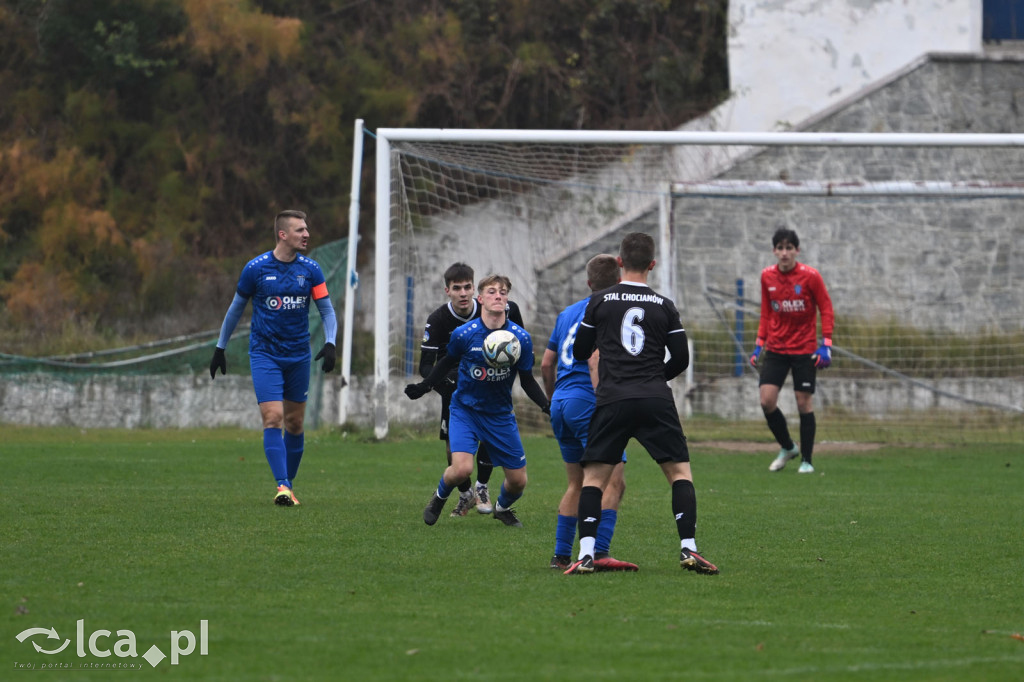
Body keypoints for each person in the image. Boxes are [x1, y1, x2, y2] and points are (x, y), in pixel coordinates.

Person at [564, 232, 718, 575]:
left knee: (593, 480)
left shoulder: (600, 301)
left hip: (612, 398)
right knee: (679, 474)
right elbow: (680, 359)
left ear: (620, 262)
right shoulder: (665, 305)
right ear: (652, 264)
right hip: (654, 398)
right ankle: (689, 549)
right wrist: (653, 378)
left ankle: (586, 553)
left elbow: (579, 352)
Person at [209, 209, 337, 506]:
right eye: (300, 230)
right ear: (283, 234)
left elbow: (327, 310)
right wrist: (220, 347)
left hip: (298, 356)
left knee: (294, 423)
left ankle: (288, 486)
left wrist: (330, 342)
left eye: (306, 229)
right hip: (265, 354)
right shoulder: (255, 269)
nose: (306, 234)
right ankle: (282, 485)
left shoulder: (311, 270)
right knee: (273, 417)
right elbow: (235, 309)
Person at [405, 274, 550, 527]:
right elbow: (446, 362)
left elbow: (527, 379)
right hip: (465, 410)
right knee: (461, 469)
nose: (498, 295)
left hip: (500, 414)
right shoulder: (464, 334)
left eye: (503, 292)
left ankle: (502, 508)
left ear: (507, 301)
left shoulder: (520, 339)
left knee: (518, 482)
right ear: (480, 298)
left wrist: (546, 405)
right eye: (492, 291)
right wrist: (424, 386)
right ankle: (439, 497)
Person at [541, 254, 637, 572]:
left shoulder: (568, 312)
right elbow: (595, 360)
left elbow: (545, 363)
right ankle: (599, 552)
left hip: (561, 402)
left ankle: (560, 555)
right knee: (613, 481)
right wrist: (606, 404)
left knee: (576, 483)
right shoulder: (611, 311)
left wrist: (554, 399)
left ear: (588, 283)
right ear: (619, 282)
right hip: (588, 401)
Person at [418, 262, 524, 517]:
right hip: (454, 391)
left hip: (492, 389)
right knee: (454, 453)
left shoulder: (496, 311)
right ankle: (465, 493)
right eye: (457, 288)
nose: (463, 293)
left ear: (474, 290)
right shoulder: (438, 319)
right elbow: (426, 367)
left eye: (467, 287)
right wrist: (444, 385)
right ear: (448, 291)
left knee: (489, 435)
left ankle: (483, 488)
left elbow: (518, 348)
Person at [749, 228, 834, 474]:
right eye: (780, 248)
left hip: (804, 349)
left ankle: (807, 460)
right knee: (766, 401)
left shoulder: (811, 277)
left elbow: (826, 309)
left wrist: (826, 344)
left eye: (789, 248)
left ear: (797, 250)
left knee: (803, 402)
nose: (784, 253)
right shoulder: (767, 277)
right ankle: (788, 447)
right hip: (776, 348)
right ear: (774, 251)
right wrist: (759, 344)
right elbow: (766, 312)